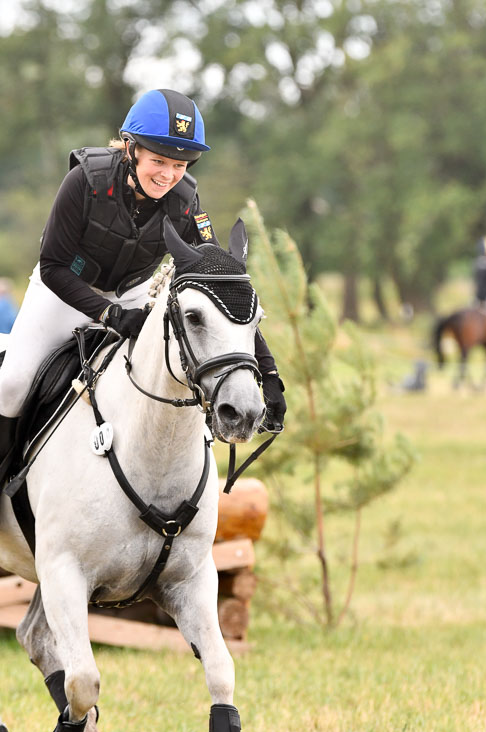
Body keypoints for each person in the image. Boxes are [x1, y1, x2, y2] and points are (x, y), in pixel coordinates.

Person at [0, 88, 286, 483]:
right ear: (131, 149)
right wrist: (108, 313)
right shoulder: (84, 180)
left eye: (180, 165)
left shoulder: (186, 201)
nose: (168, 175)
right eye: (159, 161)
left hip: (134, 295)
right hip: (63, 291)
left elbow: (222, 293)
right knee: (11, 384)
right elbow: (52, 267)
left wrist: (268, 373)